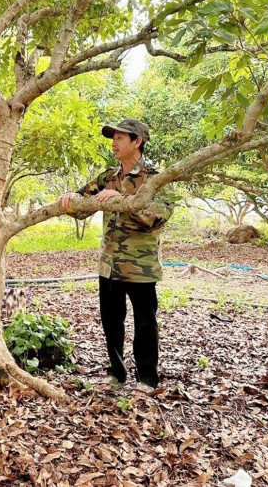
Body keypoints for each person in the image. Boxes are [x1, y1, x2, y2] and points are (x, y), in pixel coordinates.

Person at [58, 119, 174, 393]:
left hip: (139, 266)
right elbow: (83, 201)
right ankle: (116, 374)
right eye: (113, 138)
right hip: (109, 265)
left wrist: (121, 200)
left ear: (138, 142)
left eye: (121, 138)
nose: (114, 142)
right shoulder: (108, 176)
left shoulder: (156, 178)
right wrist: (69, 199)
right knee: (111, 321)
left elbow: (158, 217)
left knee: (145, 324)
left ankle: (147, 379)